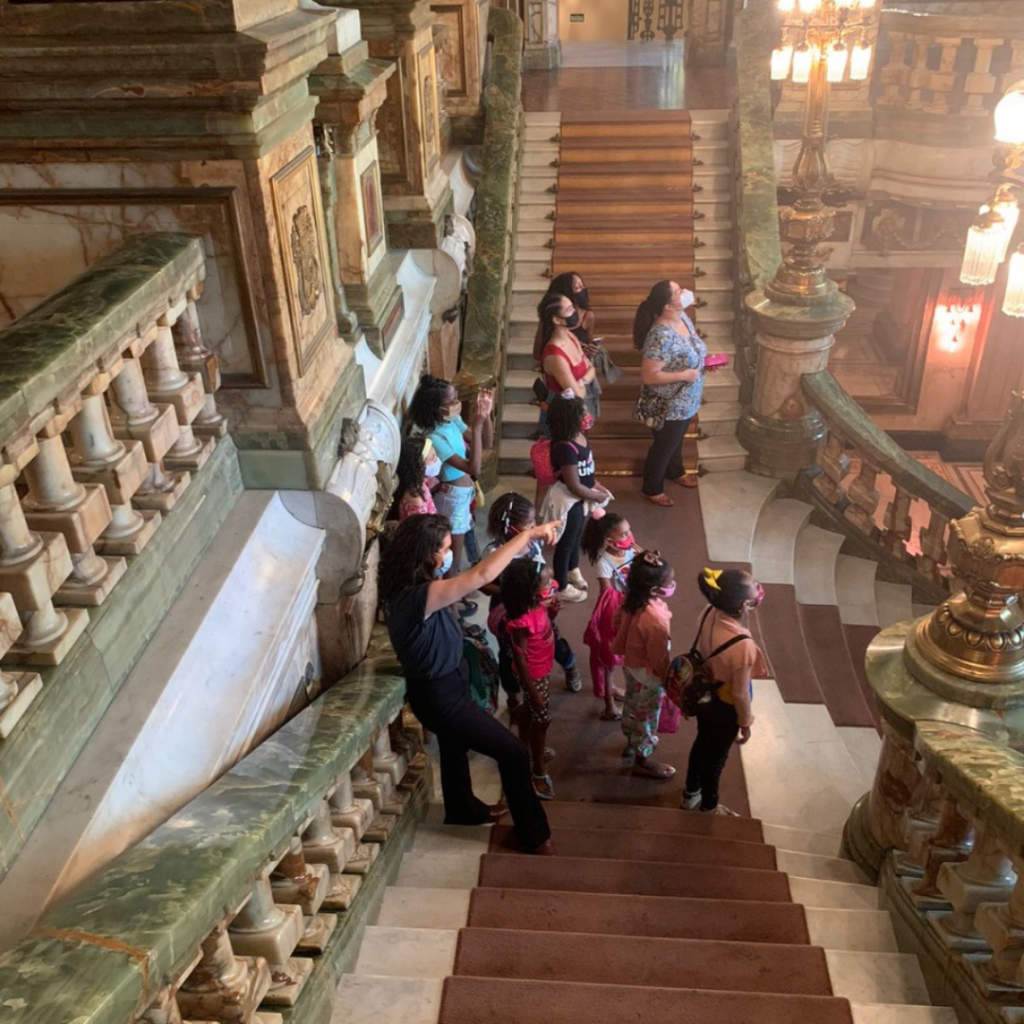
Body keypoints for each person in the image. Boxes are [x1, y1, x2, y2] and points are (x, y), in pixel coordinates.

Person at [379, 513, 560, 853]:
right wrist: (530, 535)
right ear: (427, 553)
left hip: (449, 684)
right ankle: (534, 834)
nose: (450, 554)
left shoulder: (418, 584)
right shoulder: (418, 596)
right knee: (513, 753)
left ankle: (463, 809)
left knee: (453, 746)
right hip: (440, 697)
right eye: (446, 548)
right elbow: (482, 574)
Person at [482, 492, 583, 704]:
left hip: (539, 609)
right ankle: (513, 695)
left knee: (550, 639)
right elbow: (483, 585)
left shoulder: (533, 543)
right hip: (509, 610)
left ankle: (569, 664)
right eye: (529, 522)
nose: (535, 525)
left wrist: (549, 590)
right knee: (509, 653)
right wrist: (510, 593)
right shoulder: (496, 551)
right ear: (510, 527)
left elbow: (542, 569)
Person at [682, 567, 766, 816]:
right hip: (725, 706)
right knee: (716, 759)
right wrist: (745, 722)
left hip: (704, 694)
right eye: (753, 592)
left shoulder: (708, 611)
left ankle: (690, 793)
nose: (757, 592)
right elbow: (740, 694)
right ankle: (709, 805)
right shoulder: (743, 646)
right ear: (742, 606)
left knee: (701, 743)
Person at [409, 375, 493, 580]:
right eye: (452, 401)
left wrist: (486, 415)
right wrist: (478, 424)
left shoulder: (452, 420)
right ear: (438, 408)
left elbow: (487, 443)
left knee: (460, 547)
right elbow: (474, 468)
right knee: (451, 559)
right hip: (452, 498)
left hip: (463, 494)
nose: (458, 404)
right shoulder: (435, 437)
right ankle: (451, 606)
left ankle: (456, 597)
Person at [633, 280, 707, 507]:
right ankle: (652, 488)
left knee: (675, 439)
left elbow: (689, 348)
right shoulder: (660, 336)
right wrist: (685, 375)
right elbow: (649, 375)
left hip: (686, 399)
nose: (684, 292)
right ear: (667, 306)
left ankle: (675, 471)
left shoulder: (682, 317)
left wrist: (702, 363)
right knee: (664, 446)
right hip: (670, 403)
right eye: (677, 292)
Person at [610, 549, 676, 780]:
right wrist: (668, 677)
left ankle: (630, 741)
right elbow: (659, 658)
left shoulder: (632, 599)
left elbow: (616, 620)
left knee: (632, 702)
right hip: (650, 674)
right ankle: (642, 759)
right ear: (654, 589)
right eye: (670, 582)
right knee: (647, 716)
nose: (673, 584)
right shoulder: (655, 620)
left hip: (631, 665)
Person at [540, 394, 612, 602]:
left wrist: (595, 485)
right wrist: (596, 497)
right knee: (566, 542)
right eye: (582, 412)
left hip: (581, 496)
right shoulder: (565, 447)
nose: (587, 415)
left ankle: (572, 569)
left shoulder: (580, 436)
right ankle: (561, 585)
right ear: (569, 418)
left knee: (576, 534)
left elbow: (586, 469)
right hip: (569, 499)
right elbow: (573, 485)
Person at [502, 558, 559, 801]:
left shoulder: (538, 606)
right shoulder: (521, 622)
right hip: (532, 675)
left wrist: (552, 613)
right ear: (529, 591)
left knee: (531, 711)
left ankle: (523, 746)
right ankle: (537, 770)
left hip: (541, 669)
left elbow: (545, 627)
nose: (553, 585)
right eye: (547, 582)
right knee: (543, 718)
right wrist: (532, 690)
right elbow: (521, 658)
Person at [581, 512, 638, 722]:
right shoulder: (603, 561)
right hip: (613, 613)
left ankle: (611, 688)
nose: (630, 536)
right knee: (609, 660)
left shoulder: (630, 551)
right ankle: (609, 705)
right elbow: (607, 593)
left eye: (629, 530)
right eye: (624, 534)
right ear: (608, 540)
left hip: (630, 609)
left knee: (624, 655)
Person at [537, 293, 598, 428]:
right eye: (569, 309)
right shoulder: (555, 355)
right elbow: (578, 394)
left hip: (576, 413)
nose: (575, 312)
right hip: (560, 419)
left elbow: (591, 368)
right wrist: (584, 382)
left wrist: (581, 381)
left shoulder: (570, 336)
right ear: (557, 320)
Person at [394, 437, 441, 520]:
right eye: (433, 459)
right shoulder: (417, 502)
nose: (437, 461)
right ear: (418, 466)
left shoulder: (418, 483)